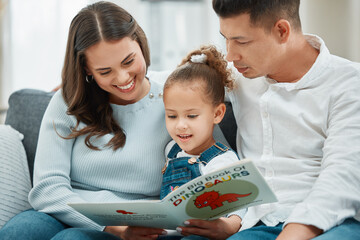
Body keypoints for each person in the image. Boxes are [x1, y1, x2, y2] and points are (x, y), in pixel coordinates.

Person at [211, 0, 360, 239]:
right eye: (225, 39)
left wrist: (294, 232)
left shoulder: (349, 83)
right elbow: (168, 85)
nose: (230, 55)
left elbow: (342, 178)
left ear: (282, 31)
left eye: (241, 41)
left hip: (333, 222)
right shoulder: (238, 77)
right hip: (257, 224)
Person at [160, 45, 240, 200]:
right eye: (172, 116)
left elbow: (235, 207)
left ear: (217, 114)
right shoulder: (171, 150)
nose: (180, 125)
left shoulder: (223, 162)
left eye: (191, 116)